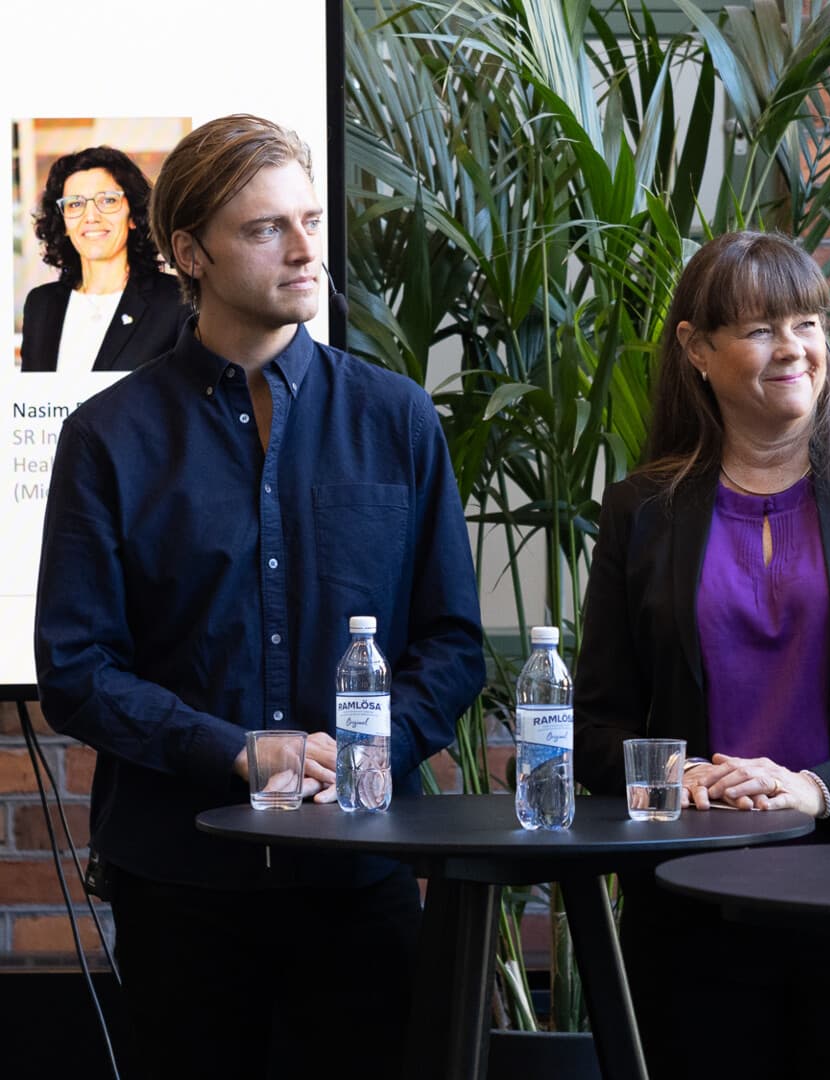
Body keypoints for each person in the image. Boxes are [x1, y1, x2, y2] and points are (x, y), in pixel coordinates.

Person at [34, 115, 485, 1080]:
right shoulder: (108, 436)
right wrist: (238, 751)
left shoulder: (394, 415)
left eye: (310, 219)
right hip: (181, 877)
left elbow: (452, 643)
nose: (305, 249)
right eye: (266, 228)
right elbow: (75, 668)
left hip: (361, 869)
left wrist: (362, 757)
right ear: (189, 252)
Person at [572, 230, 830, 1078]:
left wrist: (817, 788)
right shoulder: (643, 507)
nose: (793, 347)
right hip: (697, 908)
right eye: (761, 329)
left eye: (806, 321)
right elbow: (598, 720)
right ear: (696, 348)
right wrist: (671, 773)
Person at [20, 145, 187, 372]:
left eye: (108, 200)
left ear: (133, 216)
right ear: (64, 224)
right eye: (75, 203)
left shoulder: (176, 301)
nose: (91, 217)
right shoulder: (41, 304)